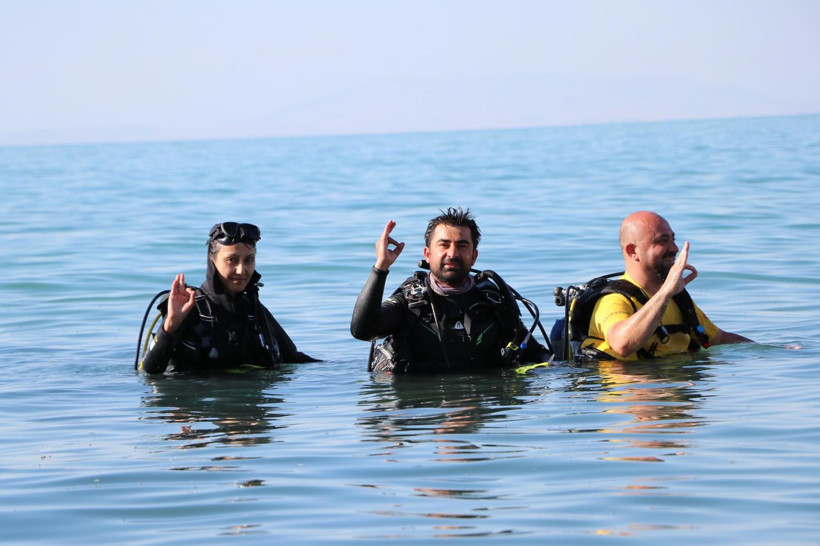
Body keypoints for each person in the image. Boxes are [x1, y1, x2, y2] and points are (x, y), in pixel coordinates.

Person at [350, 207, 551, 373]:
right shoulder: (411, 303)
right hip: (425, 412)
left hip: (482, 407)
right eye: (444, 245)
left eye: (462, 246)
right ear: (427, 254)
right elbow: (362, 330)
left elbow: (533, 351)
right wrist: (381, 267)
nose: (452, 253)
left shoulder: (492, 300)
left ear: (474, 256)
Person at [141, 222, 317, 374]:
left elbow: (295, 359)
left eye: (249, 260)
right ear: (212, 259)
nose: (242, 270)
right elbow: (150, 370)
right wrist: (170, 326)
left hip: (247, 407)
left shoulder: (254, 311)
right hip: (198, 409)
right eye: (232, 260)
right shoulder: (188, 306)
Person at [581, 211, 752, 360]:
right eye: (662, 241)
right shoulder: (613, 300)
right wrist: (666, 292)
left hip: (669, 386)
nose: (674, 248)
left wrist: (771, 353)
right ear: (632, 251)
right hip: (629, 391)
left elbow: (720, 339)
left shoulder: (678, 299)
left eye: (673, 239)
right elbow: (622, 344)